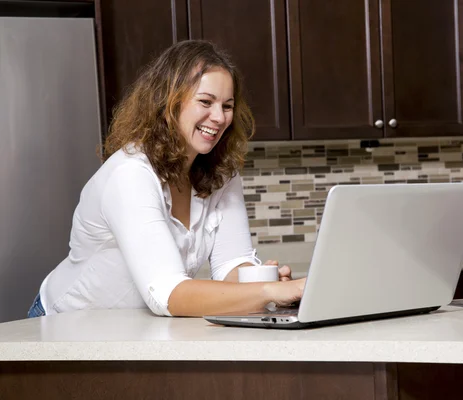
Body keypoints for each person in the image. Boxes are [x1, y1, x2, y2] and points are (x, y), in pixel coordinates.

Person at [27, 40, 305, 318]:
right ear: (168, 101)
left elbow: (231, 264)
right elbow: (168, 294)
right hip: (65, 324)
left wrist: (263, 282)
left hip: (138, 327)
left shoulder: (221, 173)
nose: (219, 117)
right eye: (206, 102)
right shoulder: (130, 174)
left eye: (227, 106)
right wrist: (269, 293)